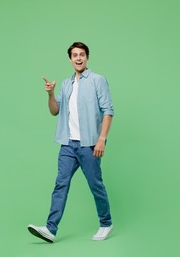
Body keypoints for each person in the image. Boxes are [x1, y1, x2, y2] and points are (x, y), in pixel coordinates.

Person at [28, 42, 114, 243]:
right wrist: (50, 93)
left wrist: (101, 139)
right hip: (68, 144)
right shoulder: (67, 84)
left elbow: (108, 111)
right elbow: (54, 111)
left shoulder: (97, 80)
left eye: (82, 54)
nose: (78, 58)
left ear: (87, 57)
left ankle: (106, 223)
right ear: (70, 59)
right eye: (74, 55)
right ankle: (50, 229)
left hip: (89, 145)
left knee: (95, 185)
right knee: (61, 184)